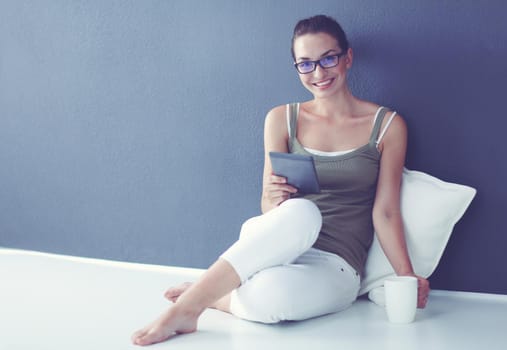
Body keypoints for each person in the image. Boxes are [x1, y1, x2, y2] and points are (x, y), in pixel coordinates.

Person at [131, 14, 430, 346]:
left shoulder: (387, 126)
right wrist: (273, 197)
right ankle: (185, 310)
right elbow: (269, 207)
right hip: (279, 243)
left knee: (273, 300)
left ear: (347, 58)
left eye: (328, 59)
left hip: (336, 266)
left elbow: (386, 211)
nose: (318, 73)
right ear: (297, 68)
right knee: (302, 213)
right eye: (306, 64)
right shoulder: (281, 119)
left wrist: (406, 275)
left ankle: (214, 296)